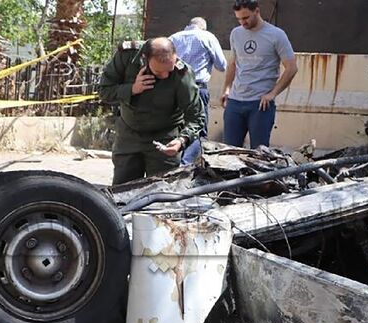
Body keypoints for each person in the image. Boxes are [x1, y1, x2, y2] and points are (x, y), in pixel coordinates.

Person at [99, 37, 205, 185]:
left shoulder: (182, 74)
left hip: (165, 139)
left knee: (162, 195)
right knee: (123, 193)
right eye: (158, 72)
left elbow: (196, 116)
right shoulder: (127, 57)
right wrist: (132, 89)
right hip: (129, 136)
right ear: (144, 59)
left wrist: (182, 140)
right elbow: (104, 91)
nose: (166, 76)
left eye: (169, 70)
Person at [221, 0, 297, 149]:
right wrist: (226, 88)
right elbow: (233, 64)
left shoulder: (276, 35)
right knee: (229, 151)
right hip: (235, 102)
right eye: (238, 19)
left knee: (260, 153)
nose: (242, 22)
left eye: (246, 18)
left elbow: (292, 68)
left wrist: (273, 93)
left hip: (260, 104)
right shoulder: (236, 33)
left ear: (257, 11)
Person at [169, 17, 227, 165]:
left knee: (174, 126)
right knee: (197, 129)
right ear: (203, 27)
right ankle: (185, 166)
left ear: (188, 25)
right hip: (197, 88)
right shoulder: (207, 37)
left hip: (173, 88)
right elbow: (222, 65)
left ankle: (171, 165)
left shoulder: (173, 38)